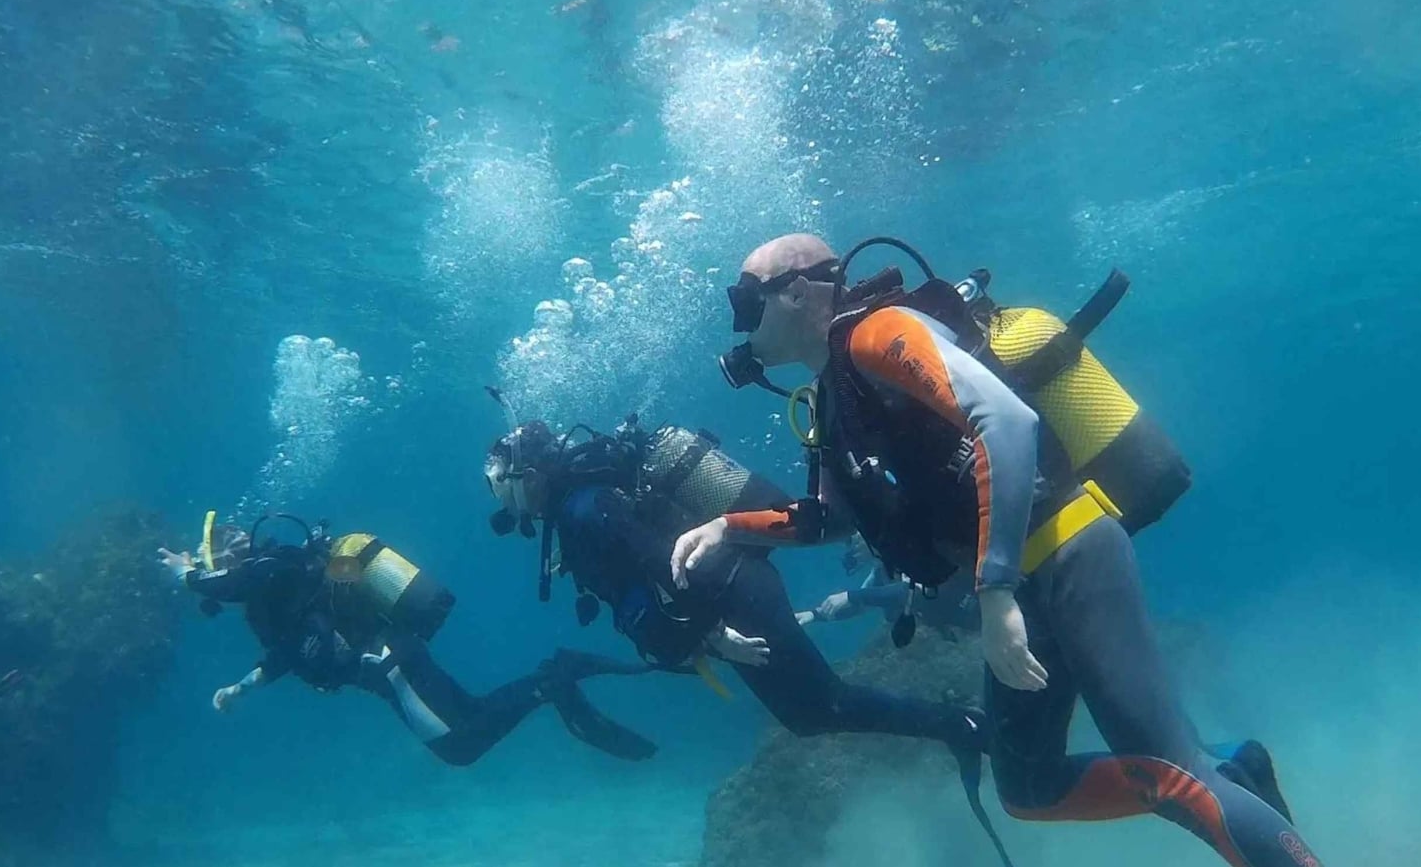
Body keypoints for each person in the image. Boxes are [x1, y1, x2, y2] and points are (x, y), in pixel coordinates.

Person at [671, 233, 1319, 867]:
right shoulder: (833, 393)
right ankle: (1236, 768)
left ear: (797, 292)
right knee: (1029, 786)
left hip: (1064, 551)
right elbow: (831, 517)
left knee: (1176, 779)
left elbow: (1006, 421)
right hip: (1020, 582)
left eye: (745, 299)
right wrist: (728, 527)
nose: (740, 323)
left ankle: (1217, 781)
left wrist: (996, 588)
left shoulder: (876, 333)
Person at [481, 415, 994, 801]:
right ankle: (956, 726)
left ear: (526, 474)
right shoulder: (578, 508)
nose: (498, 497)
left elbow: (660, 559)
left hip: (732, 597)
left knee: (822, 705)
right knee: (810, 713)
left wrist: (711, 633)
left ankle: (962, 727)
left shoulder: (582, 508)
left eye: (498, 482)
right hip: (729, 592)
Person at [157, 513, 655, 767]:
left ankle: (553, 680)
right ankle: (552, 678)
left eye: (224, 555)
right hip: (392, 661)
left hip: (389, 665)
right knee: (472, 718)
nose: (237, 552)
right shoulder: (275, 597)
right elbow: (285, 654)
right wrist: (240, 688)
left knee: (459, 747)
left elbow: (234, 584)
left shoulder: (275, 566)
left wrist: (185, 577)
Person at [798, 534, 980, 636]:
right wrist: (815, 615)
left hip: (990, 604)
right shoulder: (883, 572)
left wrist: (850, 595)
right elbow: (860, 606)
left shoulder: (909, 548)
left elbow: (908, 593)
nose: (853, 550)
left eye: (854, 540)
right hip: (982, 625)